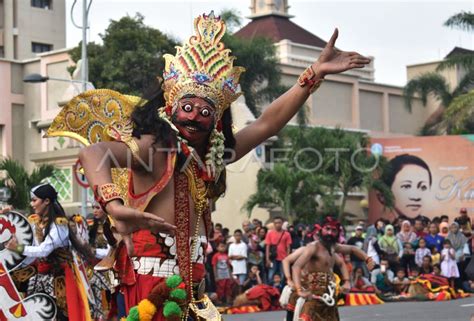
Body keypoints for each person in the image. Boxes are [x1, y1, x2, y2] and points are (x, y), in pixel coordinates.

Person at [71, 11, 370, 320]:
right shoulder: (157, 148)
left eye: (205, 111)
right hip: (154, 287)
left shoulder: (213, 156)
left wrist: (313, 74)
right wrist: (115, 206)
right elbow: (94, 154)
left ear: (217, 119)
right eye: (187, 108)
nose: (194, 117)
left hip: (194, 289)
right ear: (171, 109)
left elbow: (267, 124)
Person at [5, 184, 92, 321]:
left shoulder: (59, 224)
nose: (31, 204)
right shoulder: (36, 223)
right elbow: (32, 249)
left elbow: (43, 250)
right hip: (42, 274)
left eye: (34, 200)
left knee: (61, 315)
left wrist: (19, 248)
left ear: (46, 201)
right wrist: (7, 217)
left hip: (60, 276)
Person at [292, 217, 374, 321]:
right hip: (313, 295)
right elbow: (296, 266)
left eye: (334, 230)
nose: (330, 233)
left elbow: (352, 250)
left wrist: (368, 259)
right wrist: (299, 290)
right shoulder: (313, 247)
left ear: (338, 232)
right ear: (321, 230)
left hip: (329, 294)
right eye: (327, 229)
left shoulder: (333, 247)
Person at [378, 154, 432, 221]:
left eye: (423, 187)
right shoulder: (384, 225)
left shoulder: (427, 225)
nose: (416, 197)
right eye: (406, 186)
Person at [265, 217, 292, 282]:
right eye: (276, 223)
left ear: (282, 223)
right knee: (271, 275)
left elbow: (288, 247)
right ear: (273, 224)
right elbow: (267, 247)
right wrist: (267, 259)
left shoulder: (287, 234)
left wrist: (287, 258)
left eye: (279, 223)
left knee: (283, 275)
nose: (277, 224)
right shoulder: (270, 233)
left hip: (283, 258)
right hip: (273, 258)